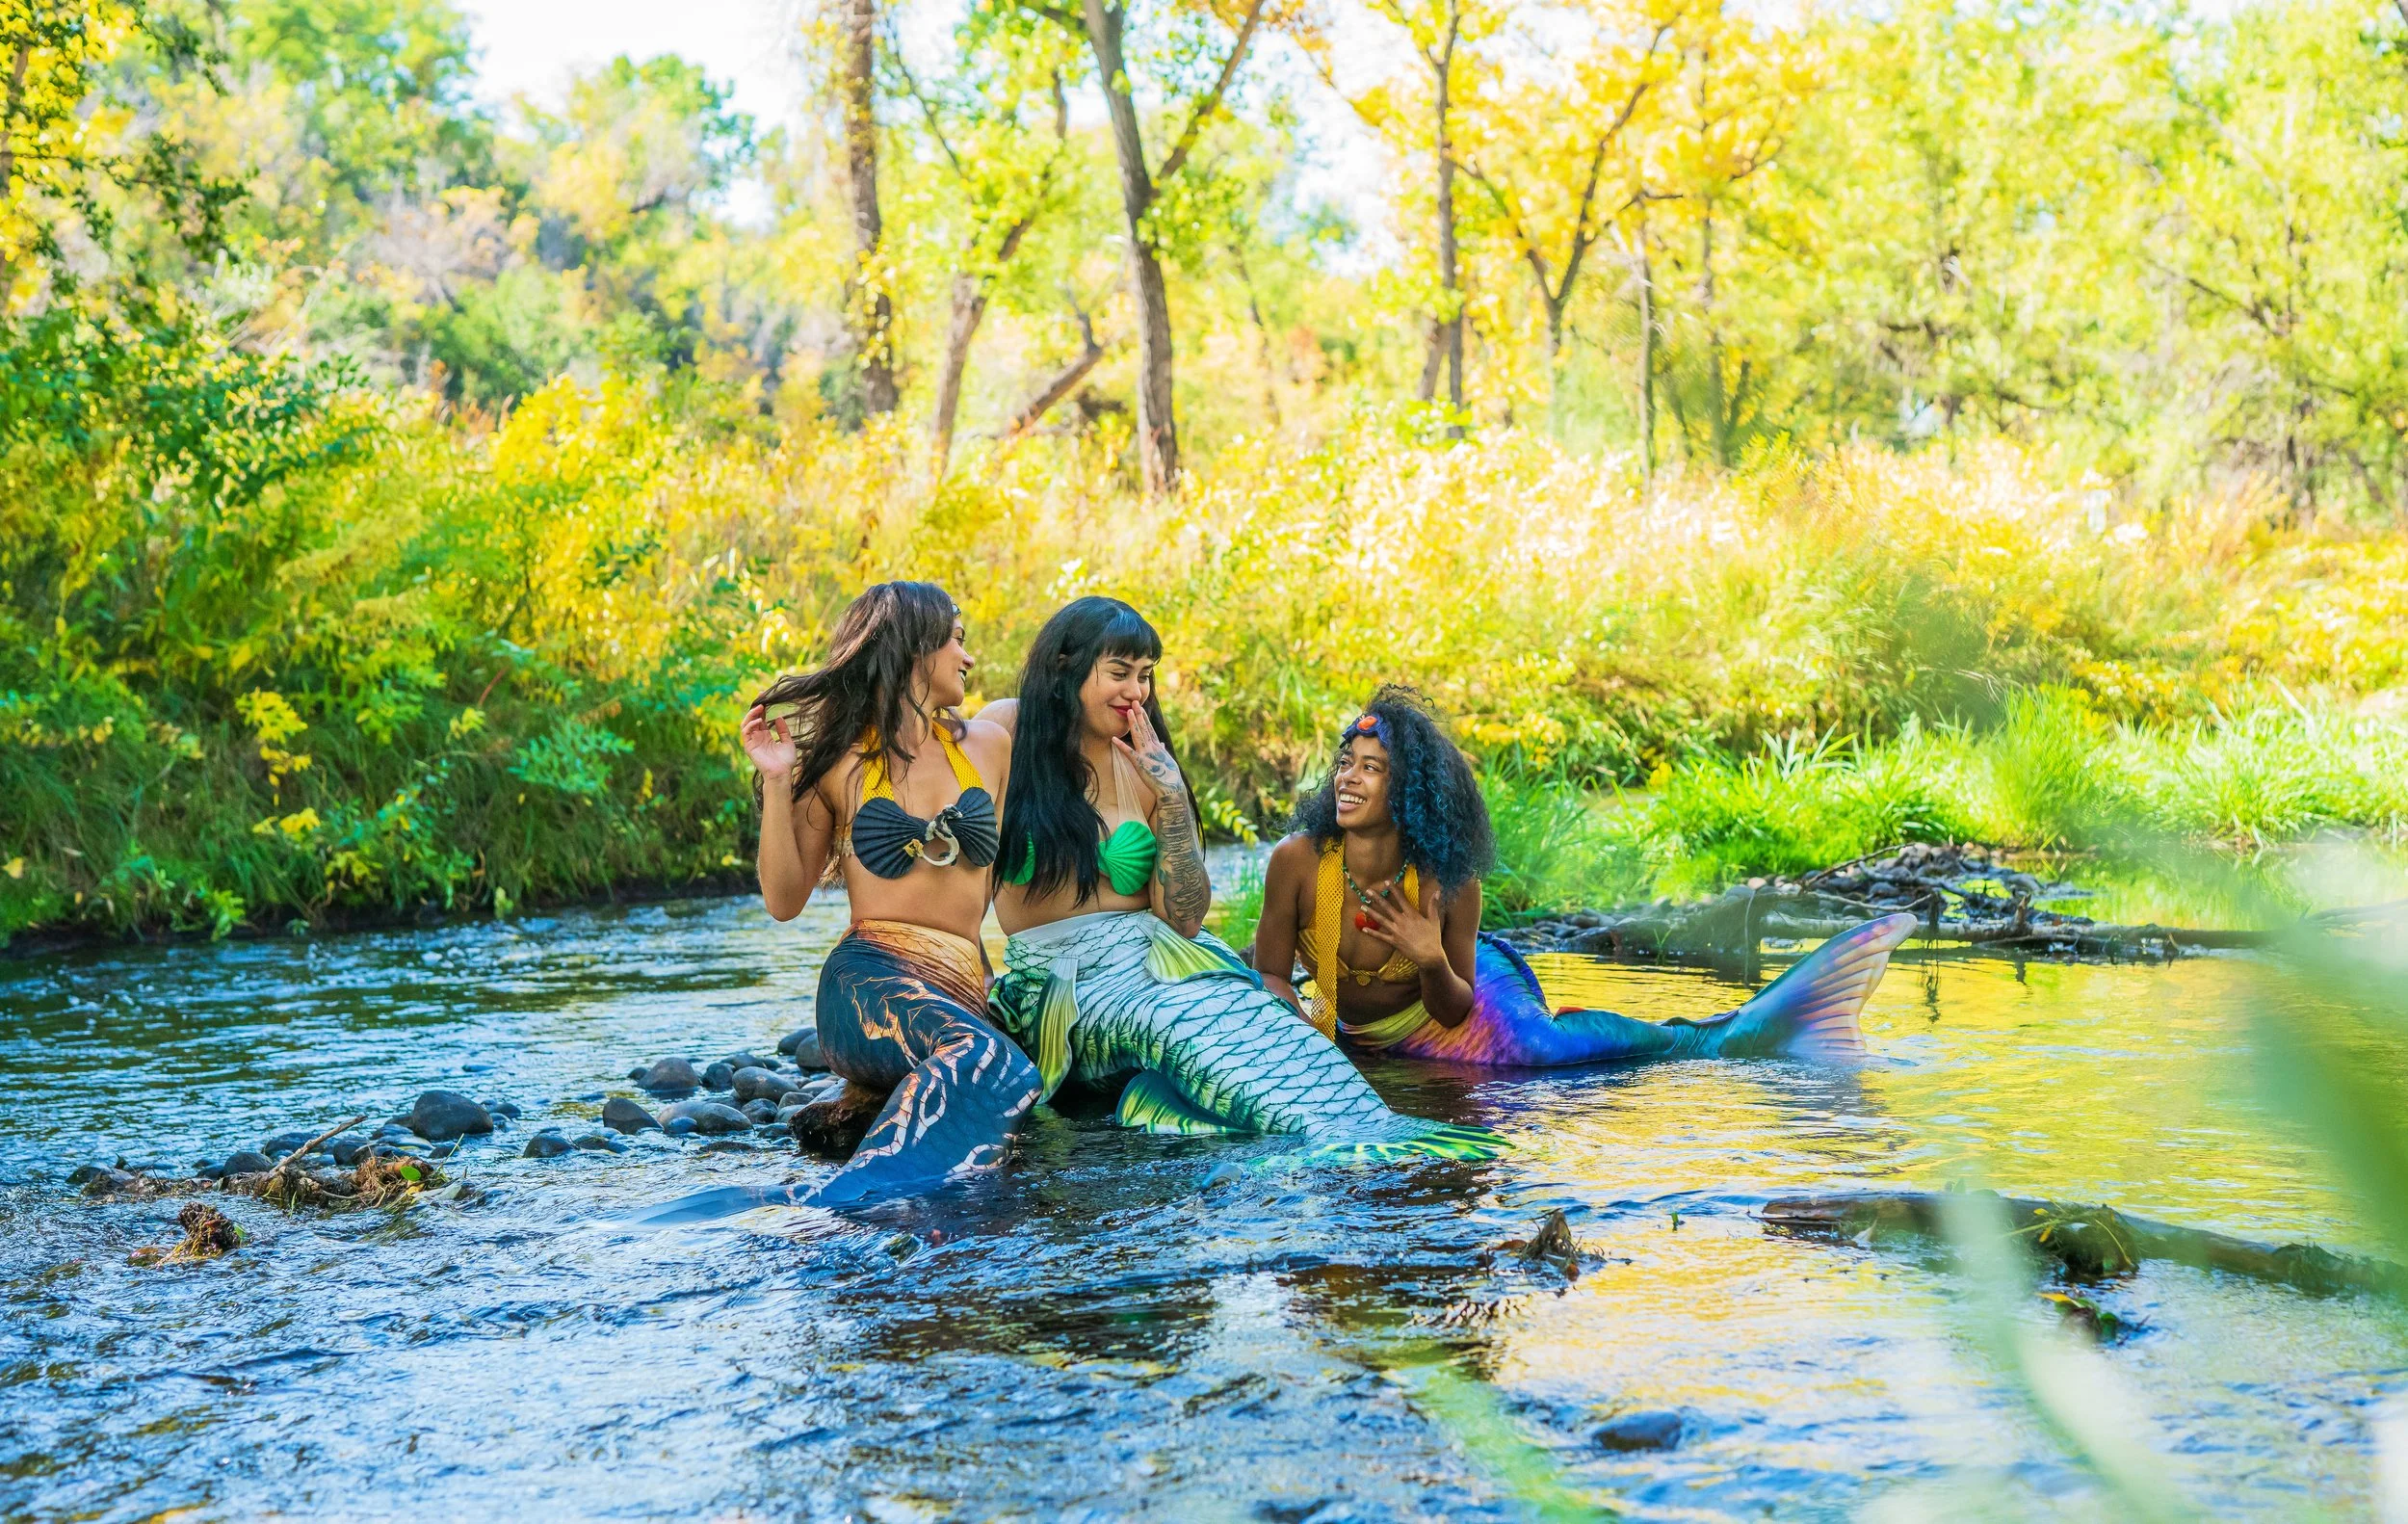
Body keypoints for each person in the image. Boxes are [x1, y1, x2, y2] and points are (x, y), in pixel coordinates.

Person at [977, 598, 1500, 1159]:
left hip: (1167, 957)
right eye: (1119, 673)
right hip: (1068, 982)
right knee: (1174, 1022)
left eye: (1146, 676)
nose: (1138, 693)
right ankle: (1332, 1140)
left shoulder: (1144, 756)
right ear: (1065, 665)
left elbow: (1183, 917)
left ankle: (1378, 1138)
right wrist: (973, 982)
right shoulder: (1007, 729)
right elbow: (967, 872)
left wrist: (1173, 796)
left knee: (1267, 1021)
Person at [1252, 687, 1915, 1066]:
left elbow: (1453, 1009)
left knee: (1541, 1054)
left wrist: (1428, 959)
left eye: (1371, 767)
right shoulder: (1298, 862)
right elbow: (1275, 975)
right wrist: (1300, 1040)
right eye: (1346, 762)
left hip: (1464, 990)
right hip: (1349, 1028)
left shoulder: (1447, 883)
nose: (1348, 777)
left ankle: (1718, 1033)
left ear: (1409, 794)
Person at [741, 580, 1039, 1206]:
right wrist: (775, 780)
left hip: (958, 982)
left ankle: (930, 1213)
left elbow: (989, 898)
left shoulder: (990, 748)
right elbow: (783, 899)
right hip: (867, 983)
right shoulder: (841, 762)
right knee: (993, 1066)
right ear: (914, 652)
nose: (967, 657)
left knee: (1003, 1064)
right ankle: (840, 1206)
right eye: (956, 640)